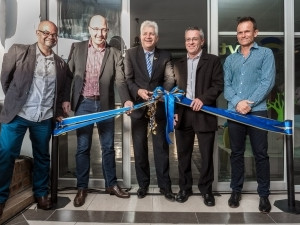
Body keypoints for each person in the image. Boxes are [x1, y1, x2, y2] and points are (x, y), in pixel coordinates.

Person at [0, 20, 72, 216]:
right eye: (46, 33)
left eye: (54, 34)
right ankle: (0, 197)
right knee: (6, 154)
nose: (51, 37)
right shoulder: (19, 51)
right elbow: (5, 79)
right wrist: (15, 101)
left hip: (44, 117)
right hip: (19, 115)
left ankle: (41, 194)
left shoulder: (60, 63)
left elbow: (64, 87)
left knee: (42, 157)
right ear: (37, 33)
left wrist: (58, 109)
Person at [63, 15, 132, 207]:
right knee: (83, 147)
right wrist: (65, 99)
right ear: (89, 29)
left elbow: (120, 80)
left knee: (108, 147)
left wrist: (126, 99)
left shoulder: (115, 53)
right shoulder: (77, 48)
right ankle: (82, 187)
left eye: (103, 30)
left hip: (105, 105)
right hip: (83, 104)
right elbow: (69, 77)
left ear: (107, 31)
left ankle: (111, 184)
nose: (100, 34)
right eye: (96, 29)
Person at [223, 16, 275, 213]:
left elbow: (267, 82)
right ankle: (236, 191)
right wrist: (238, 103)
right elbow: (226, 86)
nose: (243, 35)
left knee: (260, 154)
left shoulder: (265, 54)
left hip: (258, 111)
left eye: (247, 31)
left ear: (255, 32)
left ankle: (264, 195)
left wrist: (248, 103)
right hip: (234, 112)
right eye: (240, 32)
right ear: (237, 35)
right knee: (236, 153)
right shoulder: (230, 59)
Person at [124, 20, 175, 201]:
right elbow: (128, 79)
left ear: (157, 37)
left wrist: (161, 91)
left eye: (151, 34)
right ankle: (143, 185)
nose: (148, 36)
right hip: (138, 107)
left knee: (161, 148)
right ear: (140, 36)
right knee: (139, 149)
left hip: (158, 107)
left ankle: (165, 186)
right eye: (145, 33)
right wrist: (138, 91)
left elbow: (170, 79)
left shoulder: (165, 55)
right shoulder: (130, 54)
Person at [173, 27, 223, 206]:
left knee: (206, 155)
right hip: (183, 115)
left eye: (195, 39)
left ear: (202, 41)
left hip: (205, 114)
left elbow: (218, 85)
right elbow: (173, 91)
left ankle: (206, 190)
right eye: (188, 39)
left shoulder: (213, 61)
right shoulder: (177, 63)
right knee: (183, 155)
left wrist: (202, 99)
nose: (191, 42)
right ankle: (184, 188)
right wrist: (174, 113)